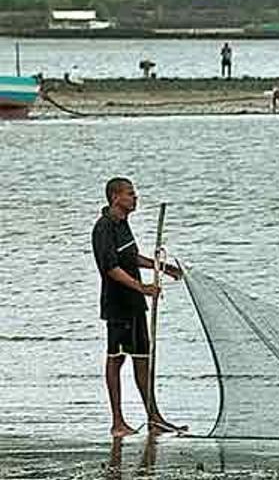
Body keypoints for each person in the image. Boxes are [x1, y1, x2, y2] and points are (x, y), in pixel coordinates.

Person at [92, 177, 185, 437]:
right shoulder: (104, 228)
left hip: (135, 305)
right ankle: (117, 422)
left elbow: (131, 258)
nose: (136, 198)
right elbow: (111, 268)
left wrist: (163, 268)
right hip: (118, 305)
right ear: (115, 197)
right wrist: (143, 288)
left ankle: (154, 418)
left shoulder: (123, 225)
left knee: (143, 358)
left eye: (134, 194)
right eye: (130, 194)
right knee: (116, 358)